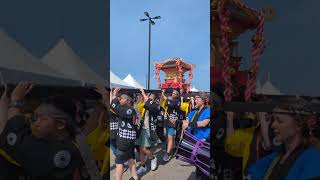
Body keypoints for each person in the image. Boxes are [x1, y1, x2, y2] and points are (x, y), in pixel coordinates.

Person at [0, 82, 90, 180]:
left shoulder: (62, 153)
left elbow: (16, 139)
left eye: (42, 118)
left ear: (60, 124)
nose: (35, 123)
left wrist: (15, 101)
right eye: (35, 118)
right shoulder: (69, 144)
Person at [248, 102, 320, 180]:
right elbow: (254, 173)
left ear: (298, 125)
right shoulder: (273, 158)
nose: (273, 125)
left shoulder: (313, 158)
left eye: (280, 121)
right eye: (273, 120)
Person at [110, 93, 138, 180]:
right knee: (130, 158)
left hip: (124, 140)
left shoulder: (129, 110)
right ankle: (135, 177)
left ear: (127, 100)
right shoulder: (131, 109)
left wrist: (114, 95)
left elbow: (114, 107)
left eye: (121, 99)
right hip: (129, 139)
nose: (120, 100)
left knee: (119, 161)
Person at [182, 94, 210, 179]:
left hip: (204, 138)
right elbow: (187, 120)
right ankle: (199, 175)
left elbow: (203, 123)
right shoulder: (194, 111)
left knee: (203, 160)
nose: (196, 100)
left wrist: (188, 124)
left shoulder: (208, 110)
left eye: (198, 99)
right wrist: (183, 123)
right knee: (197, 159)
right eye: (195, 99)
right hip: (194, 137)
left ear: (203, 100)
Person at [135, 89, 159, 174]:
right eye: (149, 97)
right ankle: (143, 166)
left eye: (151, 97)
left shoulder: (156, 106)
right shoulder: (147, 104)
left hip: (149, 129)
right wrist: (141, 96)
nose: (149, 98)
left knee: (144, 148)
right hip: (142, 127)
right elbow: (137, 108)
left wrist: (143, 93)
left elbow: (148, 105)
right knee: (141, 149)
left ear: (155, 99)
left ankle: (153, 158)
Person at [161, 89, 182, 162]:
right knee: (167, 136)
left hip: (173, 121)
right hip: (166, 119)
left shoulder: (178, 102)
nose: (173, 94)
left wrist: (168, 101)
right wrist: (163, 94)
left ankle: (167, 153)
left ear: (177, 95)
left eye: (175, 93)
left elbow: (171, 104)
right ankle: (173, 148)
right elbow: (166, 102)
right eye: (172, 93)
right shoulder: (169, 99)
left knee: (170, 137)